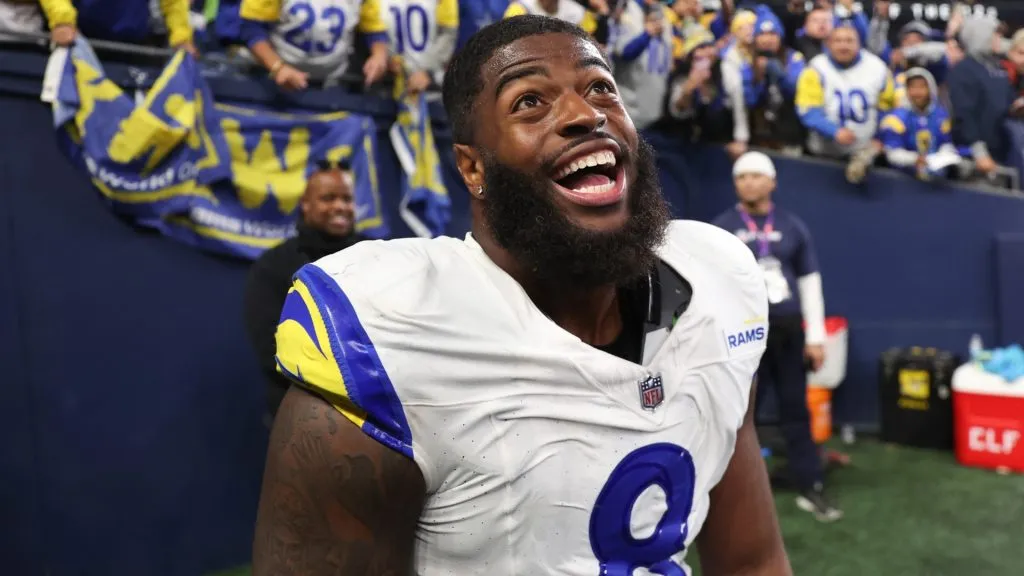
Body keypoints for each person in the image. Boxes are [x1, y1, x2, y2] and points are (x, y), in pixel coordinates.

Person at [253, 15, 790, 575]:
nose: (585, 114)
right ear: (471, 165)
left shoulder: (714, 284)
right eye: (530, 101)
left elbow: (751, 560)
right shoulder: (398, 331)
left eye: (601, 88)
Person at [712, 151, 841, 523]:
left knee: (795, 411)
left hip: (785, 332)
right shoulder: (722, 227)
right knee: (736, 414)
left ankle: (810, 483)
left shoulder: (792, 225)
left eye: (756, 176)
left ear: (772, 181)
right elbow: (714, 287)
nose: (749, 182)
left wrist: (815, 336)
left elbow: (810, 282)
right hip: (743, 335)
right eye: (742, 177)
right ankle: (722, 491)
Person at [242, 162, 364, 421]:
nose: (340, 206)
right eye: (328, 198)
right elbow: (270, 348)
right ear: (305, 204)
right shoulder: (273, 266)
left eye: (347, 198)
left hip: (374, 416)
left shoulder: (376, 258)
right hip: (299, 414)